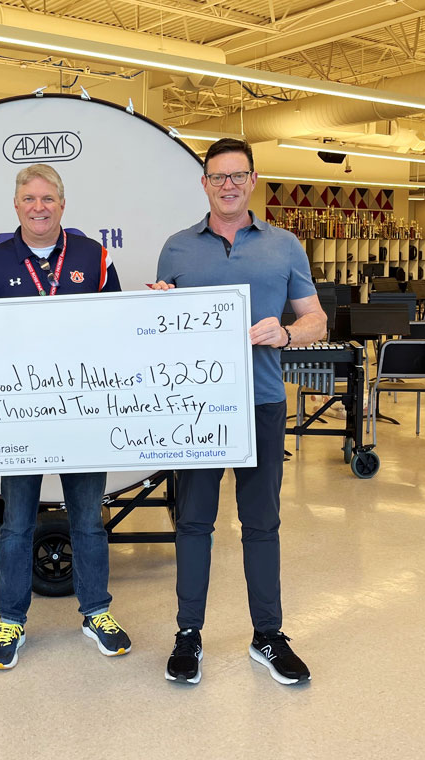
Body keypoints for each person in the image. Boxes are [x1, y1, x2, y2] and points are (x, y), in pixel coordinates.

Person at [155, 139, 326, 686]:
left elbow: (317, 320)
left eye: (238, 175)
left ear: (253, 180)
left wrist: (289, 331)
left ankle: (268, 636)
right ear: (204, 184)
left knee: (262, 523)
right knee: (195, 522)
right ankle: (188, 634)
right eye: (217, 176)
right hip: (195, 408)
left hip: (261, 402)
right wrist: (155, 309)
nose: (227, 185)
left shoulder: (285, 246)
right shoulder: (177, 248)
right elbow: (163, 332)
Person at [0, 163, 131, 669]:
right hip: (20, 419)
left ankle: (96, 612)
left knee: (87, 521)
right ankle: (11, 620)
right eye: (29, 199)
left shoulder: (94, 256)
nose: (39, 207)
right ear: (15, 205)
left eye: (48, 199)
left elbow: (119, 329)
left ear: (63, 204)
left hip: (81, 415)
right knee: (15, 526)